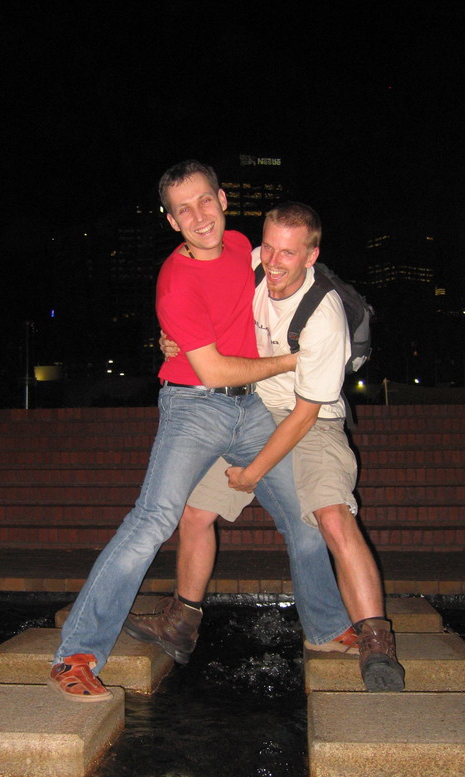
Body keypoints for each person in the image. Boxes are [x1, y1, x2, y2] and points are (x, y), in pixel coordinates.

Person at [49, 161, 354, 702]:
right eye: (183, 210)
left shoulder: (242, 248)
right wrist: (292, 361)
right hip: (193, 408)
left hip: (253, 407)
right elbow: (211, 370)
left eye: (205, 201)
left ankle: (329, 628)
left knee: (304, 517)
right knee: (153, 519)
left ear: (223, 199)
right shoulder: (176, 282)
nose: (199, 216)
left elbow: (289, 271)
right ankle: (77, 654)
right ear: (172, 221)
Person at [126, 202, 405, 692]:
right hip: (251, 407)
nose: (273, 262)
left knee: (332, 515)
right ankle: (181, 623)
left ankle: (376, 644)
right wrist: (174, 339)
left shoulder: (324, 317)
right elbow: (203, 303)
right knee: (195, 513)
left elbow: (304, 415)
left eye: (288, 254)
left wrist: (253, 472)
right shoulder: (251, 262)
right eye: (269, 247)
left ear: (311, 255)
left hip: (312, 421)